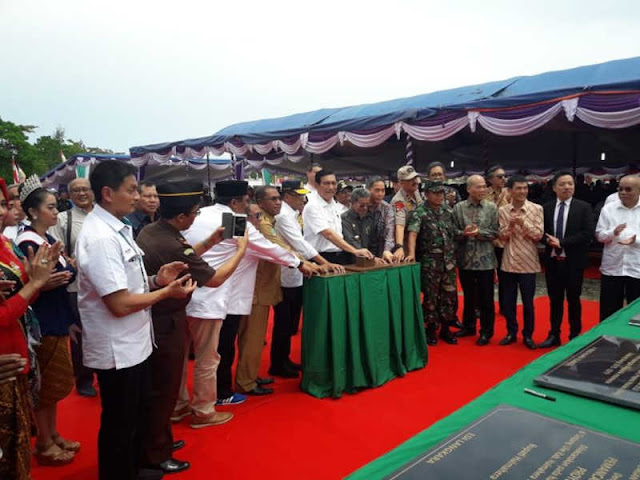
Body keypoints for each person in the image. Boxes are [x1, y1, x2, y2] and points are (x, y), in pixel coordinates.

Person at [76, 160, 196, 480]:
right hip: (118, 348)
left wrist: (157, 280)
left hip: (136, 342)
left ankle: (135, 468)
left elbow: (130, 285)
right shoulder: (101, 236)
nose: (138, 196)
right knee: (120, 423)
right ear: (107, 193)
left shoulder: (119, 227)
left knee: (136, 415)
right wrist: (165, 293)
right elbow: (118, 303)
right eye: (131, 190)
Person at [136, 180, 247, 475]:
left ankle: (162, 438)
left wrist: (211, 242)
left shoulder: (154, 231)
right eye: (195, 213)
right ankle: (158, 450)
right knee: (167, 384)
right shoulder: (171, 240)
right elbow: (214, 277)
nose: (197, 217)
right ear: (183, 216)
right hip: (167, 318)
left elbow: (185, 257)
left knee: (169, 383)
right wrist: (240, 250)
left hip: (164, 316)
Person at [178, 181, 309, 411]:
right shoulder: (233, 220)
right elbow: (263, 247)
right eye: (246, 201)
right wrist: (299, 263)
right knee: (220, 350)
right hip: (218, 297)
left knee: (191, 355)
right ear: (235, 202)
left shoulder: (201, 214)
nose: (248, 205)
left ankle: (182, 404)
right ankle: (220, 394)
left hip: (192, 292)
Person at [16, 176, 79, 466]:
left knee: (53, 384)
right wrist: (44, 282)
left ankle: (53, 433)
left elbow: (63, 273)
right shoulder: (28, 241)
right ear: (32, 212)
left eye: (56, 208)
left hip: (55, 315)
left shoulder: (47, 238)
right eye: (50, 208)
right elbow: (30, 284)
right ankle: (43, 441)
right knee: (44, 385)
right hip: (42, 319)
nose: (55, 213)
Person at [0, 177, 60, 479]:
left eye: (1, 204)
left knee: (18, 442)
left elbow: (25, 299)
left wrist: (37, 281)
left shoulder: (7, 244)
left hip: (17, 349)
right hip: (5, 356)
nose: (1, 212)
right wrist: (36, 282)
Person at [236, 186, 319, 390]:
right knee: (252, 337)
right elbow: (277, 248)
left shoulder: (267, 220)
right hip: (256, 288)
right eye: (272, 199)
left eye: (278, 198)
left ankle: (250, 376)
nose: (278, 202)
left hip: (263, 285)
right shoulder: (261, 222)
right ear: (260, 202)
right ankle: (246, 382)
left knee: (254, 337)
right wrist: (305, 263)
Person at [271, 180, 344, 376]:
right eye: (299, 195)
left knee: (289, 322)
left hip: (296, 273)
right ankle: (278, 363)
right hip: (286, 274)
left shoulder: (292, 214)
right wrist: (322, 262)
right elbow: (300, 244)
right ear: (287, 196)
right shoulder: (284, 216)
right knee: (284, 323)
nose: (303, 199)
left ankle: (283, 360)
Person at [49, 177, 97, 397]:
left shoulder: (101, 216)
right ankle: (84, 378)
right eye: (76, 190)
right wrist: (68, 260)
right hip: (77, 286)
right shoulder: (63, 219)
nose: (81, 194)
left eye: (85, 189)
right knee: (81, 335)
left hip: (102, 284)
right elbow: (56, 249)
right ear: (68, 195)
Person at [538, 171, 594, 348]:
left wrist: (561, 242)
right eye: (562, 184)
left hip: (573, 262)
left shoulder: (583, 207)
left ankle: (575, 334)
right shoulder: (545, 208)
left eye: (570, 183)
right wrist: (548, 241)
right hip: (553, 262)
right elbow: (541, 233)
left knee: (574, 299)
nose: (567, 187)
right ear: (554, 187)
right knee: (554, 300)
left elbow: (587, 235)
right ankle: (554, 334)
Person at [406, 180, 458, 346]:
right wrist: (412, 254)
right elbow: (412, 234)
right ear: (426, 194)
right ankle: (431, 328)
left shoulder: (448, 211)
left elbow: (454, 232)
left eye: (441, 193)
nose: (439, 196)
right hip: (430, 263)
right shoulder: (419, 212)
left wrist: (466, 232)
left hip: (448, 262)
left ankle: (446, 328)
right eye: (435, 193)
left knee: (449, 297)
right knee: (431, 298)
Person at [498, 175, 543, 350]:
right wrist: (509, 226)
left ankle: (528, 335)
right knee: (508, 301)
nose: (523, 191)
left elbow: (538, 236)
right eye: (519, 188)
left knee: (528, 302)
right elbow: (501, 237)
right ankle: (511, 332)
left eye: (525, 188)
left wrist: (523, 223)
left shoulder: (536, 209)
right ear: (510, 191)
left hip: (528, 262)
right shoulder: (503, 211)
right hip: (508, 261)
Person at [452, 175, 499, 346]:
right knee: (469, 296)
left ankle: (486, 331)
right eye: (478, 187)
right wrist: (463, 233)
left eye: (484, 187)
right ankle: (469, 326)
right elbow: (453, 232)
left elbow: (495, 233)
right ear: (469, 189)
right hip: (465, 259)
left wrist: (479, 233)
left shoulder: (492, 208)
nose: (482, 190)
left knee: (486, 298)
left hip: (485, 260)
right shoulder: (458, 208)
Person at [303, 170, 373, 265]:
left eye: (333, 183)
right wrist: (355, 251)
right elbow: (328, 234)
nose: (331, 187)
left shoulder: (334, 205)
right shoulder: (312, 206)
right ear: (316, 185)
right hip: (320, 258)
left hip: (339, 256)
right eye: (326, 183)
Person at [596, 174, 640, 321]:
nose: (623, 193)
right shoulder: (608, 209)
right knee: (608, 313)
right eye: (620, 189)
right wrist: (613, 233)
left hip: (637, 268)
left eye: (628, 189)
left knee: (636, 316)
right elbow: (599, 236)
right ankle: (606, 342)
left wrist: (635, 241)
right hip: (613, 267)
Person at [485, 165, 510, 314]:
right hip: (487, 240)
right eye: (499, 176)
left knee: (504, 275)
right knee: (486, 276)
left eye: (504, 176)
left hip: (503, 240)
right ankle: (484, 307)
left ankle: (504, 306)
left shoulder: (510, 193)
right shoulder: (485, 193)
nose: (503, 179)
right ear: (490, 179)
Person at [391, 165, 423, 261]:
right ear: (401, 183)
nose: (415, 181)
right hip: (404, 241)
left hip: (417, 238)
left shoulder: (416, 192)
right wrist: (399, 246)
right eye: (410, 179)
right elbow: (399, 225)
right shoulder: (399, 201)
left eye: (415, 178)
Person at [367, 176, 397, 262]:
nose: (380, 194)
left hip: (381, 251)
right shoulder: (361, 206)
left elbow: (389, 232)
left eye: (383, 190)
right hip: (362, 252)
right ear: (368, 190)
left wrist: (387, 250)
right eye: (377, 190)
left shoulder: (387, 208)